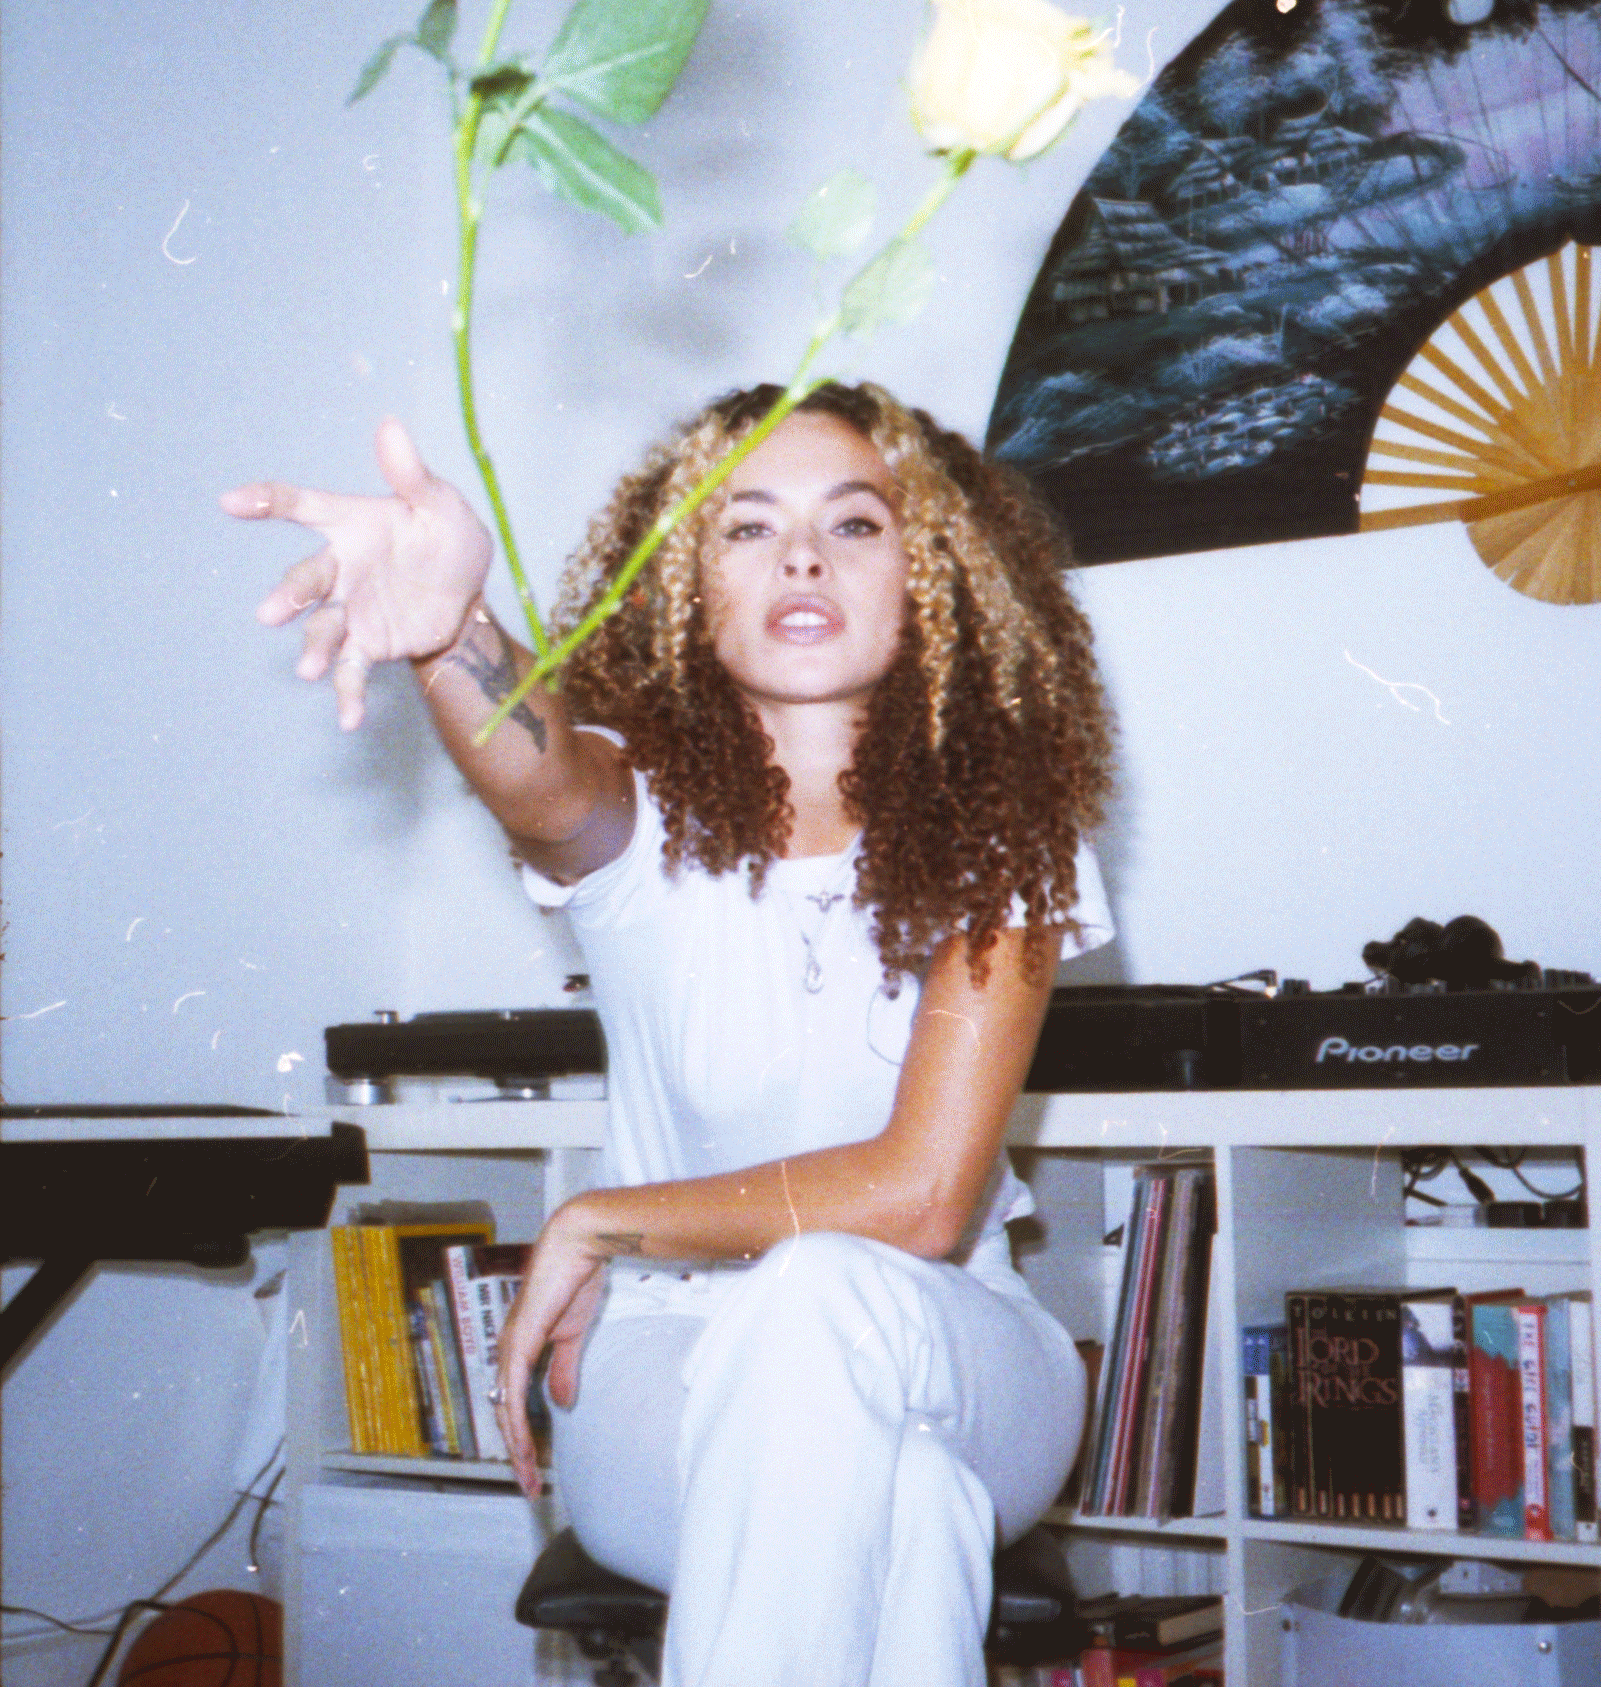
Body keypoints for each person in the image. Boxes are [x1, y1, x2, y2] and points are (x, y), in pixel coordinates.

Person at [223, 379, 1115, 1687]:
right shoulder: (631, 820)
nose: (802, 554)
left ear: (936, 575)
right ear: (683, 585)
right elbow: (539, 776)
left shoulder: (1009, 838)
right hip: (663, 1365)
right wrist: (449, 633)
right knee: (911, 1515)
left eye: (856, 523)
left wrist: (601, 1217)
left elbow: (923, 1203)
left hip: (953, 1341)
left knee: (820, 1295)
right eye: (746, 526)